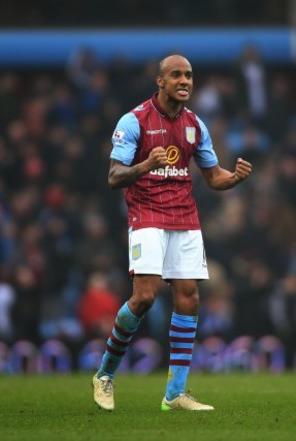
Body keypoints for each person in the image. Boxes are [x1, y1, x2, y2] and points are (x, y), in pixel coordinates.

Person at [92, 54, 252, 411]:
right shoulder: (134, 121)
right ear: (160, 82)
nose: (184, 81)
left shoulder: (196, 125)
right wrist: (148, 163)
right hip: (146, 213)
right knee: (145, 296)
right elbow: (114, 177)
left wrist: (235, 179)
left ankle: (175, 393)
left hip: (185, 217)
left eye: (189, 76)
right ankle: (104, 374)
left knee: (189, 297)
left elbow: (213, 177)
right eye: (176, 75)